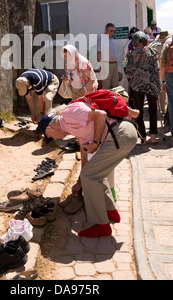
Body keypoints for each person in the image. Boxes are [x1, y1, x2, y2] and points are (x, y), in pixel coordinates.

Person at [38, 95, 139, 238]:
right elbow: (85, 155)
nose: (54, 139)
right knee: (94, 174)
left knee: (90, 176)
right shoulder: (73, 128)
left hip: (120, 135)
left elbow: (101, 115)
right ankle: (111, 212)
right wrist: (79, 183)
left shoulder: (68, 113)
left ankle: (101, 226)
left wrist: (96, 143)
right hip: (123, 136)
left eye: (50, 136)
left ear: (50, 128)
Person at [123, 31, 161, 143]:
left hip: (136, 85)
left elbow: (127, 71)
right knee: (153, 110)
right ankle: (153, 136)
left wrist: (133, 79)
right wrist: (158, 83)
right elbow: (157, 69)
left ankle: (142, 137)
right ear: (144, 40)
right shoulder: (152, 52)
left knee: (137, 112)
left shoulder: (129, 54)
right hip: (152, 84)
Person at [97, 23, 119, 89]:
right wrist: (102, 66)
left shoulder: (111, 39)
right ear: (106, 30)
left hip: (114, 64)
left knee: (115, 85)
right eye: (111, 31)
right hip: (106, 65)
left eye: (113, 31)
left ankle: (114, 99)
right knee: (106, 86)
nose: (112, 33)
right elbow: (99, 53)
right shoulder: (101, 39)